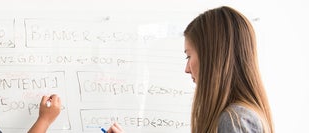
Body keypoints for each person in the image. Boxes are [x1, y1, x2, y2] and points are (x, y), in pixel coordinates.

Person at [107, 6, 274, 133]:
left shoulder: (234, 120)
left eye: (188, 56)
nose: (186, 69)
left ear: (212, 57)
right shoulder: (241, 116)